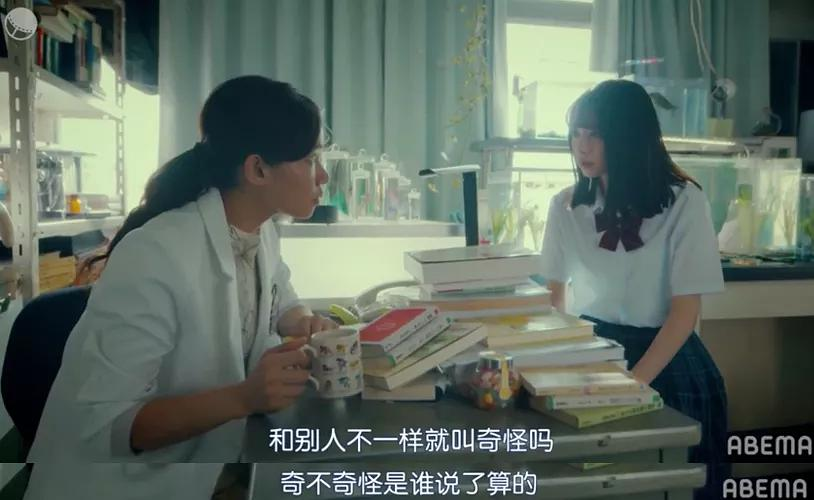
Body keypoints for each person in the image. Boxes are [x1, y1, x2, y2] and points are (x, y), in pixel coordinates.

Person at [24, 76, 337, 500]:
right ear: (258, 170)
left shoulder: (259, 230)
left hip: (209, 467)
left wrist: (305, 323)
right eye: (311, 159)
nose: (323, 175)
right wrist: (246, 397)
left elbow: (281, 296)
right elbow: (112, 426)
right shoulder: (155, 253)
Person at [540, 80, 728, 499]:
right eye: (576, 133)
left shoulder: (685, 203)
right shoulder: (565, 206)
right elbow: (554, 300)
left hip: (667, 358)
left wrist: (630, 385)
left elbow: (685, 313)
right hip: (595, 355)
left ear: (628, 136)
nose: (582, 146)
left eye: (596, 134)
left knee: (674, 485)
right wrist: (555, 368)